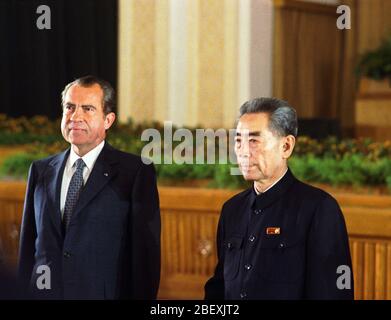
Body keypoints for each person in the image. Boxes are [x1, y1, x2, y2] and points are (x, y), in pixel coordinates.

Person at [17, 75, 161, 299]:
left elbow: (144, 258)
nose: (76, 116)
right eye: (70, 107)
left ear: (108, 120)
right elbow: (29, 248)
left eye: (87, 109)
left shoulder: (134, 172)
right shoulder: (41, 170)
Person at [204, 98, 353, 300]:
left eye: (254, 141)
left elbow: (333, 293)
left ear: (286, 146)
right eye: (238, 141)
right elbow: (220, 286)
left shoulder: (319, 209)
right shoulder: (232, 209)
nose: (243, 152)